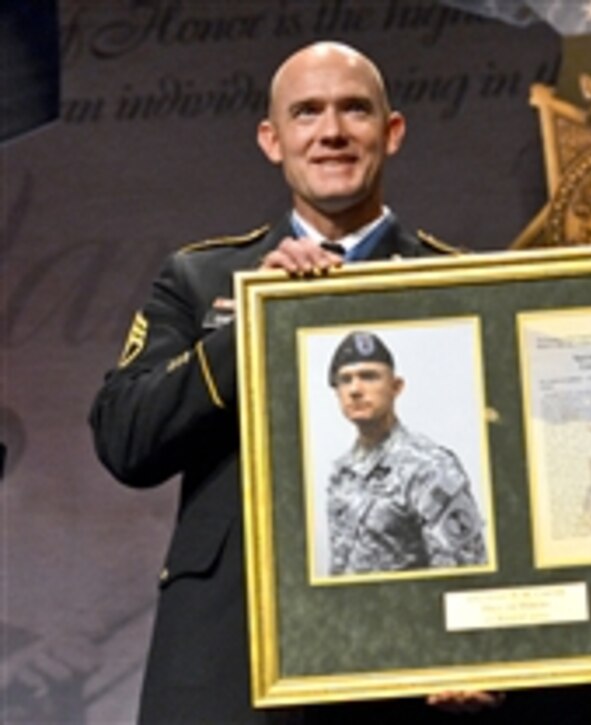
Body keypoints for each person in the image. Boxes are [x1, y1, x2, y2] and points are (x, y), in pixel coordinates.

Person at [88, 41, 493, 723]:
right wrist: (247, 327)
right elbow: (125, 439)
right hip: (228, 663)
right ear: (273, 141)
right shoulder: (200, 280)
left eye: (354, 110)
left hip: (407, 673)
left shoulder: (463, 285)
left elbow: (496, 492)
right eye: (307, 113)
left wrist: (487, 641)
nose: (331, 131)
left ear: (391, 132)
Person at [325, 330, 487, 575]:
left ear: (396, 387)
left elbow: (463, 574)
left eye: (369, 376)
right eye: (345, 380)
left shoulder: (429, 468)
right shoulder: (342, 472)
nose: (355, 389)